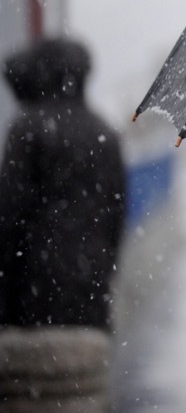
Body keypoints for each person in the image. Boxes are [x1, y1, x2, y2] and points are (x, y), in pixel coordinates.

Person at [0, 37, 127, 409]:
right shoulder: (105, 131)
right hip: (90, 300)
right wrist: (100, 274)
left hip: (33, 303)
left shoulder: (28, 128)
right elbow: (117, 218)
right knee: (84, 395)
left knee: (33, 397)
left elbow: (8, 221)